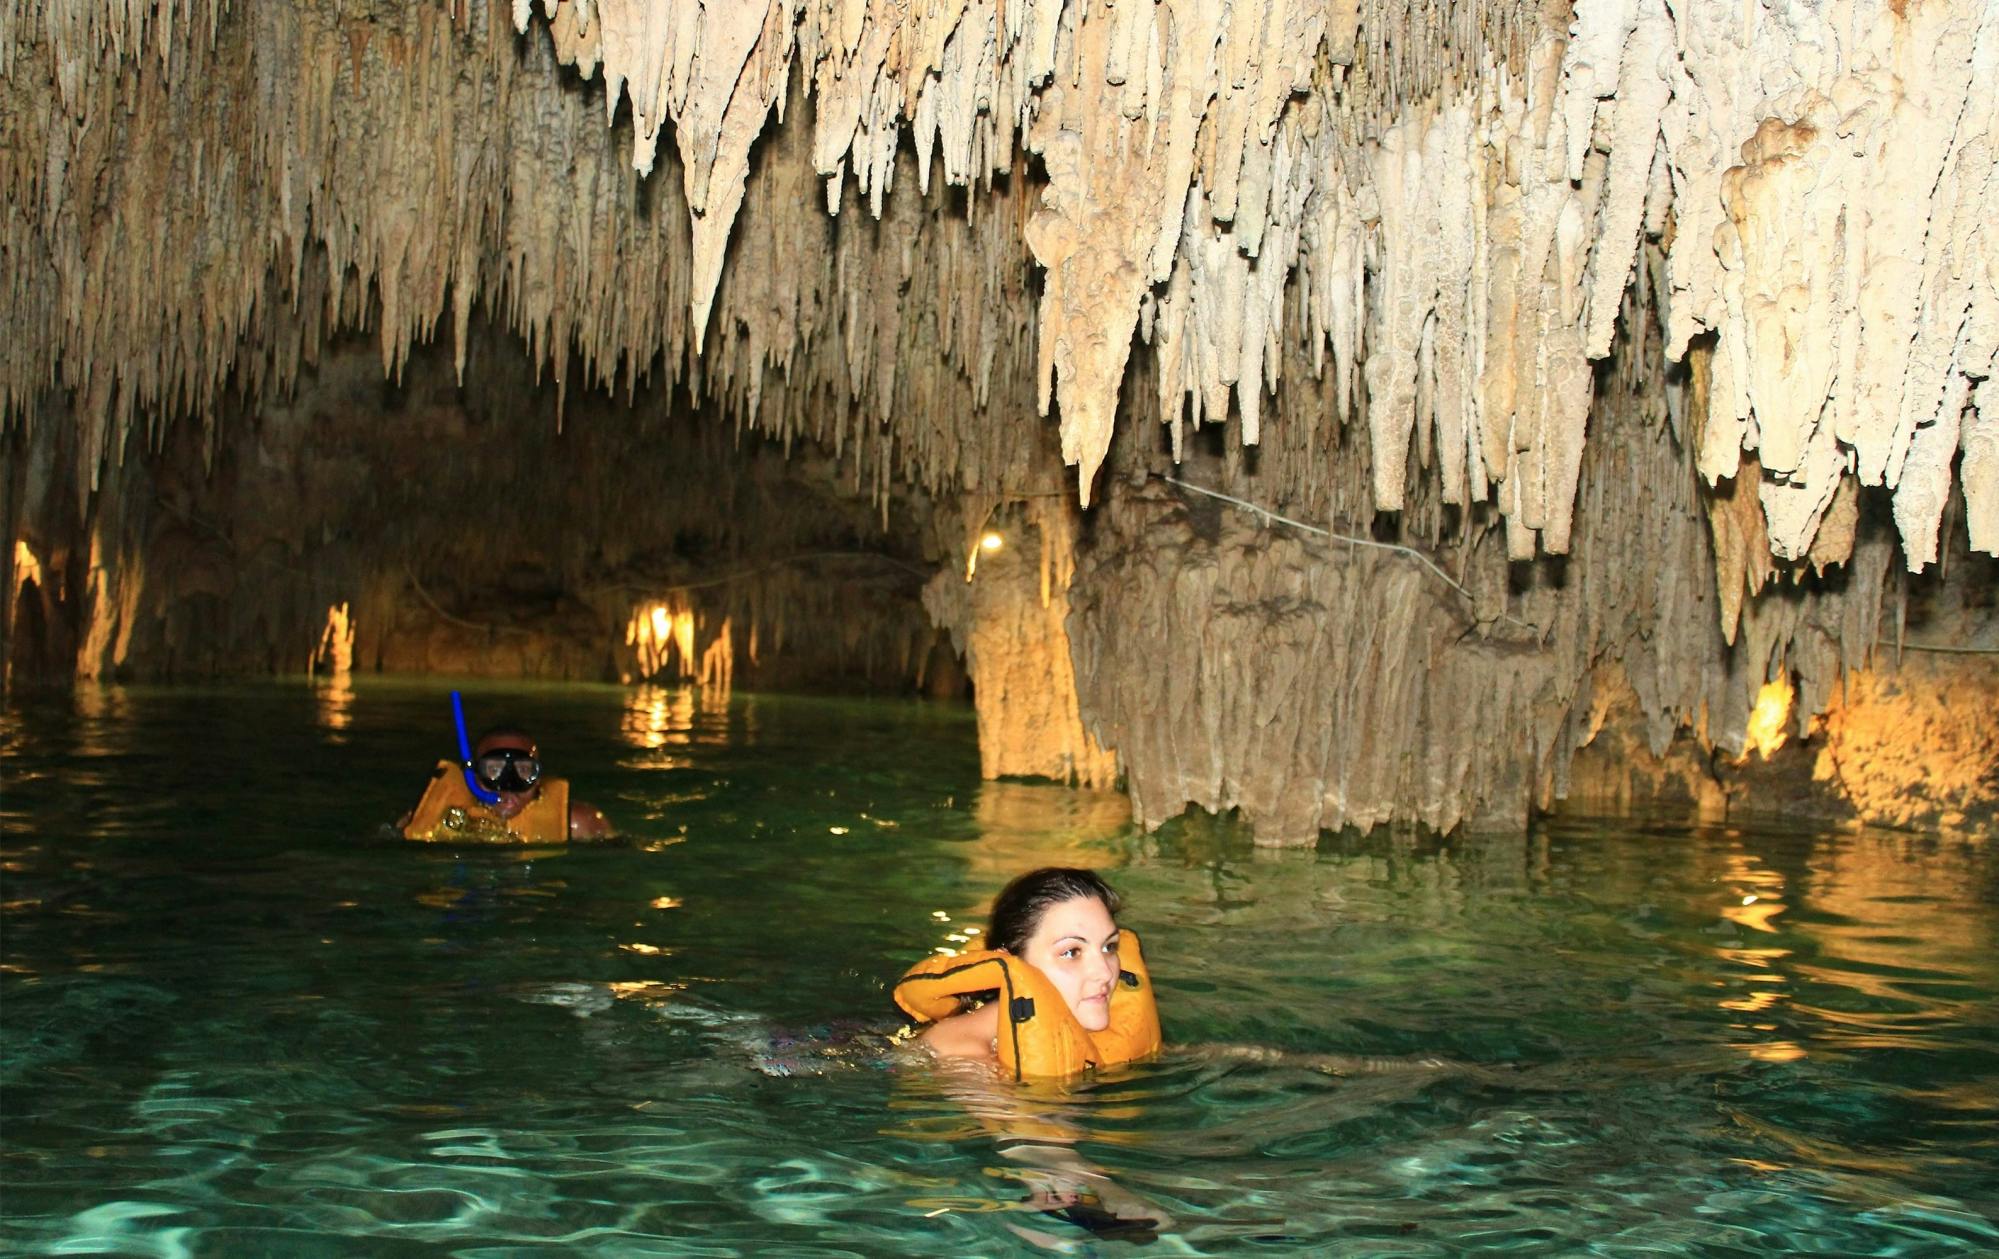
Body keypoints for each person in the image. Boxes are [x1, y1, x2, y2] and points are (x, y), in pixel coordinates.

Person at [911, 867, 1142, 1065]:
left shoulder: (1090, 1021)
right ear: (1008, 963)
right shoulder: (965, 1054)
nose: (1104, 972)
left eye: (1109, 947)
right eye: (1071, 952)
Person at [400, 725, 613, 843]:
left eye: (523, 771)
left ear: (538, 778)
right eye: (494, 770)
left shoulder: (578, 824)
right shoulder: (433, 818)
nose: (509, 785)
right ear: (473, 777)